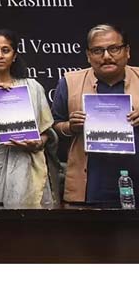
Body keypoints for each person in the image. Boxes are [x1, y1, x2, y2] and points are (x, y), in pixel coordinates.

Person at [0, 29, 55, 206]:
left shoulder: (32, 87)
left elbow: (46, 131)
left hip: (28, 164)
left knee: (32, 225)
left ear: (14, 55)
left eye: (5, 50)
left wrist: (37, 143)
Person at [51, 24, 139, 204]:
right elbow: (54, 125)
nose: (107, 56)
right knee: (89, 231)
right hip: (91, 183)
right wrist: (70, 126)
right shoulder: (69, 82)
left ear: (127, 51)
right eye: (98, 50)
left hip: (135, 174)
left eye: (114, 49)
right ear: (89, 56)